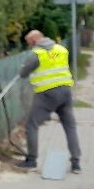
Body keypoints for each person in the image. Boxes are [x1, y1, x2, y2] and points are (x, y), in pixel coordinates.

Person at [17, 30, 83, 173]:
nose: (29, 46)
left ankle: (31, 160)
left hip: (47, 93)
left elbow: (23, 73)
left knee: (32, 124)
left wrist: (23, 70)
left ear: (34, 41)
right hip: (65, 91)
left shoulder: (37, 54)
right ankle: (76, 163)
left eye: (29, 43)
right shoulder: (61, 49)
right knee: (70, 126)